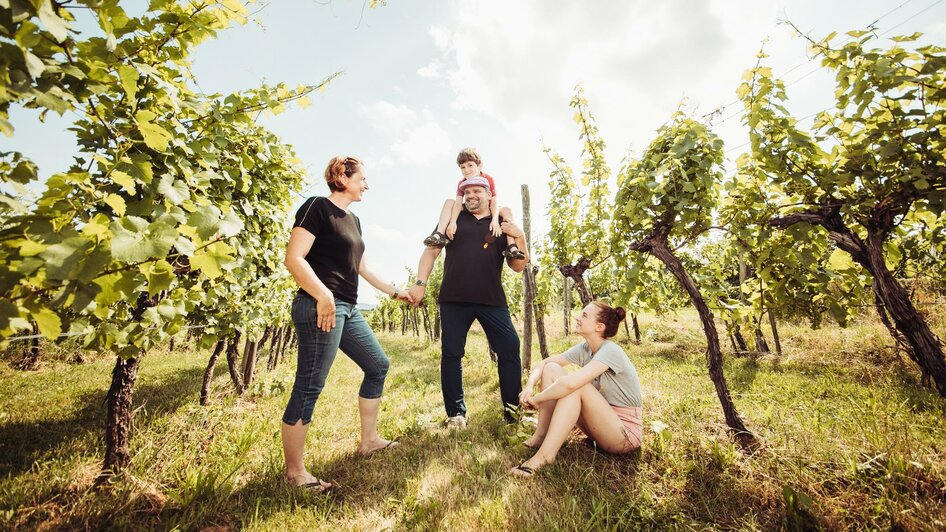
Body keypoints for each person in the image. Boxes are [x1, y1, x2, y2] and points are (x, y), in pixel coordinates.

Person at [282, 156, 412, 492]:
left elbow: (363, 269)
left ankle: (368, 441)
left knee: (377, 365)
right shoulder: (317, 208)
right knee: (310, 384)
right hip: (319, 306)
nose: (366, 184)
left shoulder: (354, 220)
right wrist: (323, 295)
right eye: (362, 178)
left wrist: (398, 293)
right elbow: (294, 258)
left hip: (348, 308)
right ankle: (295, 473)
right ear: (342, 176)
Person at [409, 177, 529, 428]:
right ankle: (455, 414)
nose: (471, 195)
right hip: (454, 298)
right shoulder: (455, 220)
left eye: (477, 191)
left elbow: (518, 266)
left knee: (509, 349)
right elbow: (431, 251)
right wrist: (420, 283)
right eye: (467, 192)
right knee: (452, 354)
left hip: (491, 300)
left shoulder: (499, 222)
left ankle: (512, 413)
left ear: (489, 195)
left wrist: (521, 238)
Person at [511, 301, 643, 477]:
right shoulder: (586, 348)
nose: (577, 317)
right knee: (552, 368)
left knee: (575, 386)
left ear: (599, 326)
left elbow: (570, 384)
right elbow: (545, 363)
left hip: (623, 436)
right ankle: (540, 436)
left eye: (584, 315)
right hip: (601, 424)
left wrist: (537, 399)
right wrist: (529, 387)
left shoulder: (611, 350)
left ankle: (544, 456)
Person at [422, 148, 526, 260]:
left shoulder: (488, 179)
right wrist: (453, 222)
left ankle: (511, 245)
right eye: (463, 167)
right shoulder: (462, 182)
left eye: (470, 165)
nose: (466, 170)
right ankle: (439, 234)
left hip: (488, 206)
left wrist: (494, 220)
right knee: (449, 202)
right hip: (469, 205)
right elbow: (458, 204)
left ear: (479, 166)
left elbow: (494, 202)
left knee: (507, 211)